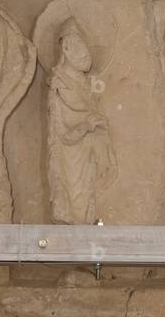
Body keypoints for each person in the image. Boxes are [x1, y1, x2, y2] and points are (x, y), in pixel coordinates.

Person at [46, 18, 116, 225]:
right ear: (66, 49)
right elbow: (60, 134)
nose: (87, 52)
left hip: (89, 159)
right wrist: (87, 126)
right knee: (73, 207)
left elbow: (92, 121)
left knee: (87, 206)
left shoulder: (86, 85)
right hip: (70, 162)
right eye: (80, 46)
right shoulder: (58, 85)